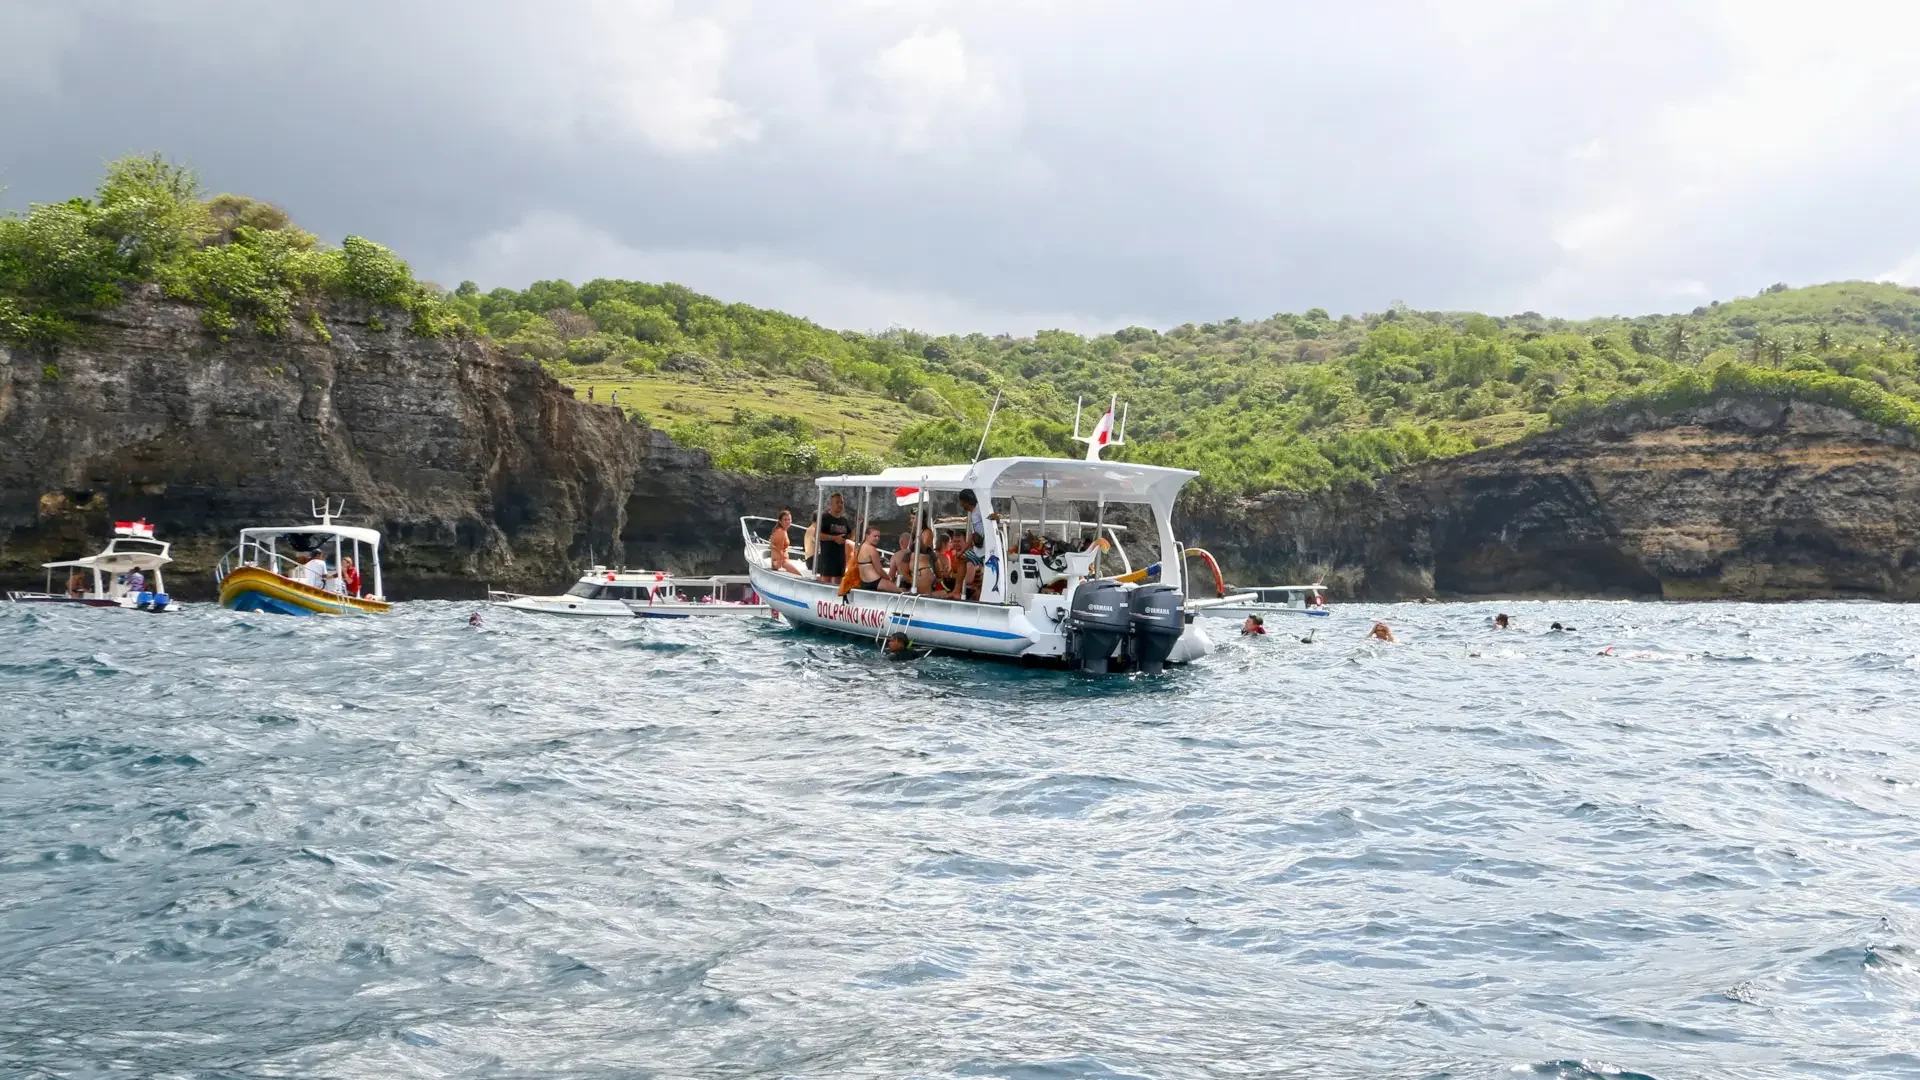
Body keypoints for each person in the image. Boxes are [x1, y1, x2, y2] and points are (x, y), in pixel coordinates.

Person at [814, 493, 852, 583]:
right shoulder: (825, 518)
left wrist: (859, 523)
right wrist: (834, 538)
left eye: (842, 502)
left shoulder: (844, 520)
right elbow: (817, 534)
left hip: (840, 557)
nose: (840, 504)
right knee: (826, 581)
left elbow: (850, 535)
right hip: (827, 557)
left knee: (839, 581)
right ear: (831, 504)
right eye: (837, 502)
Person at [855, 526, 901, 592]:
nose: (877, 538)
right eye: (875, 536)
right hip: (875, 581)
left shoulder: (861, 547)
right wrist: (889, 578)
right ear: (867, 536)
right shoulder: (872, 549)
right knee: (900, 593)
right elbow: (879, 570)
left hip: (864, 583)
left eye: (879, 536)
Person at [769, 510, 797, 575]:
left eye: (789, 519)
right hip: (781, 563)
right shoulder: (780, 532)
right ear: (780, 521)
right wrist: (780, 567)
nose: (788, 521)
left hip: (783, 561)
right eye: (785, 520)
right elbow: (780, 550)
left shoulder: (783, 530)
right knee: (801, 577)